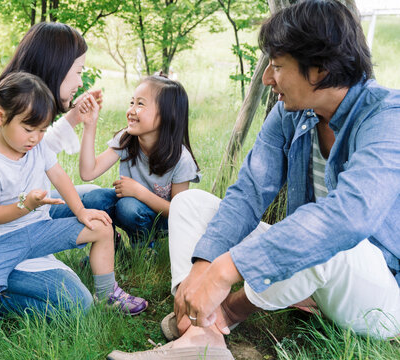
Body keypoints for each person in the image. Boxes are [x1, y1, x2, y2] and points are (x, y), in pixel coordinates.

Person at [108, 1, 400, 359]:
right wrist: (204, 267)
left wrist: (226, 272)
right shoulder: (291, 113)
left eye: (277, 66)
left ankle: (226, 314)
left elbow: (349, 217)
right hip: (310, 274)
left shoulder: (388, 117)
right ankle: (200, 334)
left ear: (320, 69)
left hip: (378, 295)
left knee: (328, 233)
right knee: (189, 203)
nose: (267, 79)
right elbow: (248, 192)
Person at [0, 72, 148, 360]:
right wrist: (26, 205)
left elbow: (59, 176)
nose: (35, 138)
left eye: (42, 130)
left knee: (101, 227)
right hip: (0, 241)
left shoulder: (37, 147)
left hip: (39, 228)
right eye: (29, 129)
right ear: (0, 117)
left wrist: (81, 212)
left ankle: (107, 295)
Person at [0, 22, 106, 323]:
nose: (80, 81)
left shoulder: (28, 111)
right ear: (56, 66)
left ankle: (78, 265)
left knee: (101, 200)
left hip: (30, 215)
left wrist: (75, 117)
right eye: (78, 71)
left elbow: (34, 150)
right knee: (77, 305)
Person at [77, 75, 201, 246]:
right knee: (93, 199)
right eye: (131, 102)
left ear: (166, 114)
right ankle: (111, 247)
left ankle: (145, 251)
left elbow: (178, 211)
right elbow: (88, 172)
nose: (131, 110)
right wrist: (90, 125)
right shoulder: (127, 140)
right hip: (130, 205)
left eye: (140, 104)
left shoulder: (181, 158)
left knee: (128, 206)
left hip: (161, 220)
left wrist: (139, 192)